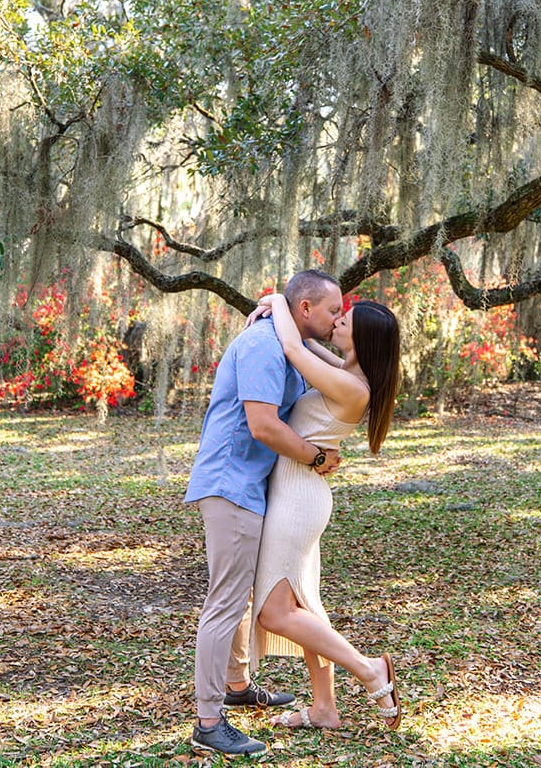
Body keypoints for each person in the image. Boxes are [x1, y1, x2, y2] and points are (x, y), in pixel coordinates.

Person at [185, 269, 347, 756]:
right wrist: (317, 459)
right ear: (305, 310)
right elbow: (262, 426)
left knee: (240, 595)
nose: (338, 318)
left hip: (252, 488)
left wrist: (275, 301)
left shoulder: (288, 343)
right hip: (231, 484)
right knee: (225, 601)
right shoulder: (263, 346)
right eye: (333, 310)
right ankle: (209, 722)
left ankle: (236, 685)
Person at [245, 292, 403, 732]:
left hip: (298, 499)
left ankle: (370, 670)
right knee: (304, 604)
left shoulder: (353, 387)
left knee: (274, 612)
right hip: (297, 492)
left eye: (346, 318)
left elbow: (295, 349)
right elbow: (307, 345)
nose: (338, 319)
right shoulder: (345, 373)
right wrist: (287, 312)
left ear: (364, 338)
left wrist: (278, 299)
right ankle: (324, 709)